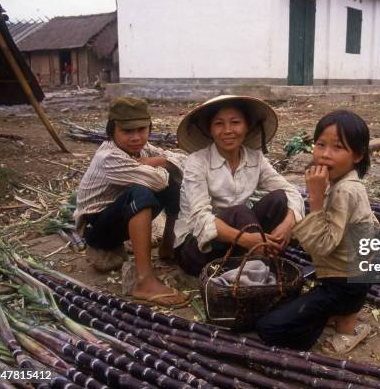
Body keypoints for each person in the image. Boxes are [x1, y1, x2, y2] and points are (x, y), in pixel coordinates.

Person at [256, 110, 380, 353]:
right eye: (320, 144)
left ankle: (346, 325)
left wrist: (314, 198)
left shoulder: (345, 191)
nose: (324, 154)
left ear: (358, 155)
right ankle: (339, 314)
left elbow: (322, 245)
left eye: (337, 147)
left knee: (268, 329)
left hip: (345, 284)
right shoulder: (341, 184)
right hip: (347, 276)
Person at [74, 97, 188, 307]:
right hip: (99, 229)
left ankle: (168, 247)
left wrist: (159, 161)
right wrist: (164, 165)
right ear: (112, 131)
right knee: (141, 191)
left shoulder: (142, 150)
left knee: (176, 183)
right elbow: (157, 180)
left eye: (141, 130)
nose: (136, 137)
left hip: (119, 218)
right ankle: (144, 280)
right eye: (127, 131)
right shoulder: (109, 157)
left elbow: (184, 161)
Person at [174, 95, 304, 277]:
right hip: (197, 248)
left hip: (238, 241)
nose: (228, 130)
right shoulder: (197, 162)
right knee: (239, 211)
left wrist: (288, 224)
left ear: (247, 126)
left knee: (279, 198)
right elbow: (200, 218)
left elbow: (291, 192)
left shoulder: (255, 158)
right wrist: (249, 240)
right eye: (219, 124)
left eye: (235, 122)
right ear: (210, 129)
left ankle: (255, 261)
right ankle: (260, 269)